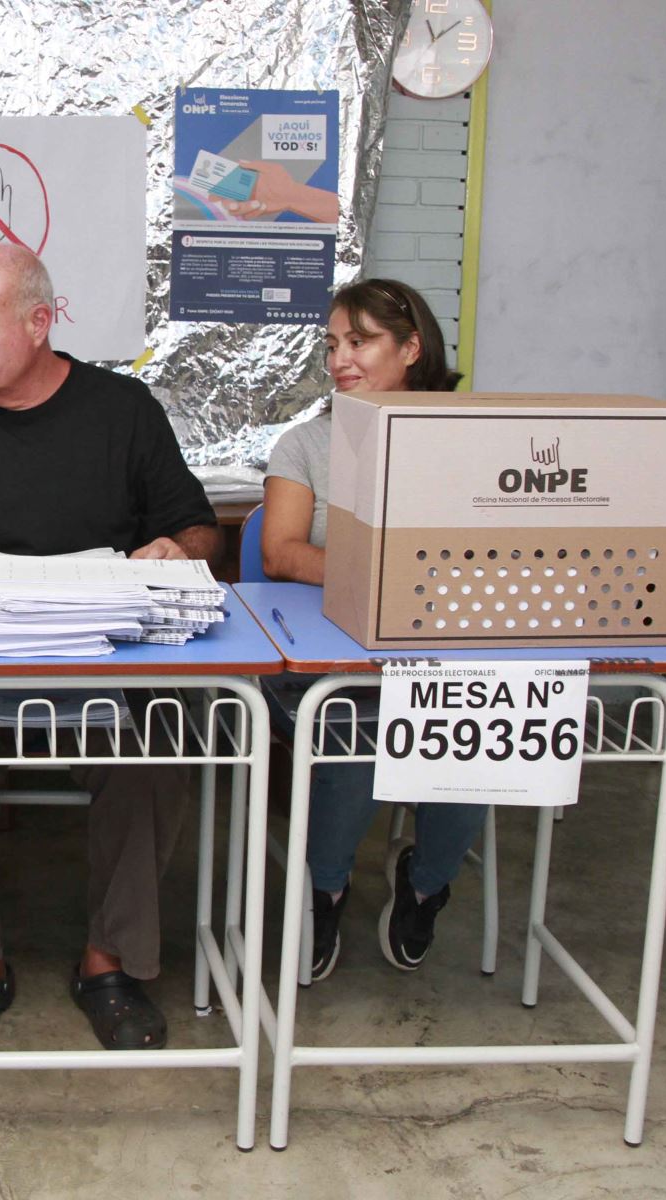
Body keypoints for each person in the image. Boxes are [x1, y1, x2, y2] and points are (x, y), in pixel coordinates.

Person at [0, 244, 221, 1053]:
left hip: (109, 669)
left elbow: (197, 526)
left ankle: (111, 962)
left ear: (40, 323)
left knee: (164, 739)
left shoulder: (121, 411)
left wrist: (173, 549)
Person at [262, 277, 486, 980]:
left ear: (411, 348)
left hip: (441, 658)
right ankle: (325, 890)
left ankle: (426, 884)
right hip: (332, 663)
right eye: (332, 345)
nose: (340, 360)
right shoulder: (307, 443)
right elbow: (280, 552)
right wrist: (393, 574)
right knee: (358, 726)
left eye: (360, 342)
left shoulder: (472, 439)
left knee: (474, 724)